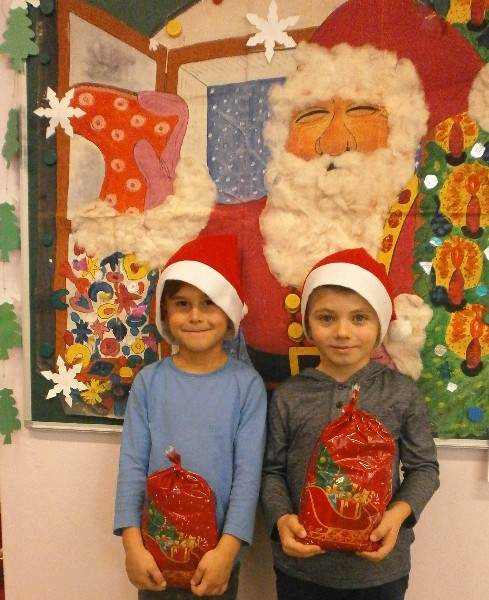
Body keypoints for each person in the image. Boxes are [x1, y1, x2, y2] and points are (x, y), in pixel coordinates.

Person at [261, 247, 439, 600]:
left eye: (359, 318)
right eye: (327, 318)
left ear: (381, 325)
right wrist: (281, 519)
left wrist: (398, 515)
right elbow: (271, 472)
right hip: (302, 570)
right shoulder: (289, 396)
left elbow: (424, 469)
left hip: (379, 572)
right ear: (308, 325)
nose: (342, 332)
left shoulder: (401, 393)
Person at [114, 234, 267, 599]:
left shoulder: (247, 386)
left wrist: (227, 552)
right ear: (166, 313)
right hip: (155, 556)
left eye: (209, 303)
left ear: (229, 312)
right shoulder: (149, 383)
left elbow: (247, 477)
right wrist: (132, 546)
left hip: (215, 560)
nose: (196, 316)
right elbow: (132, 467)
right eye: (182, 304)